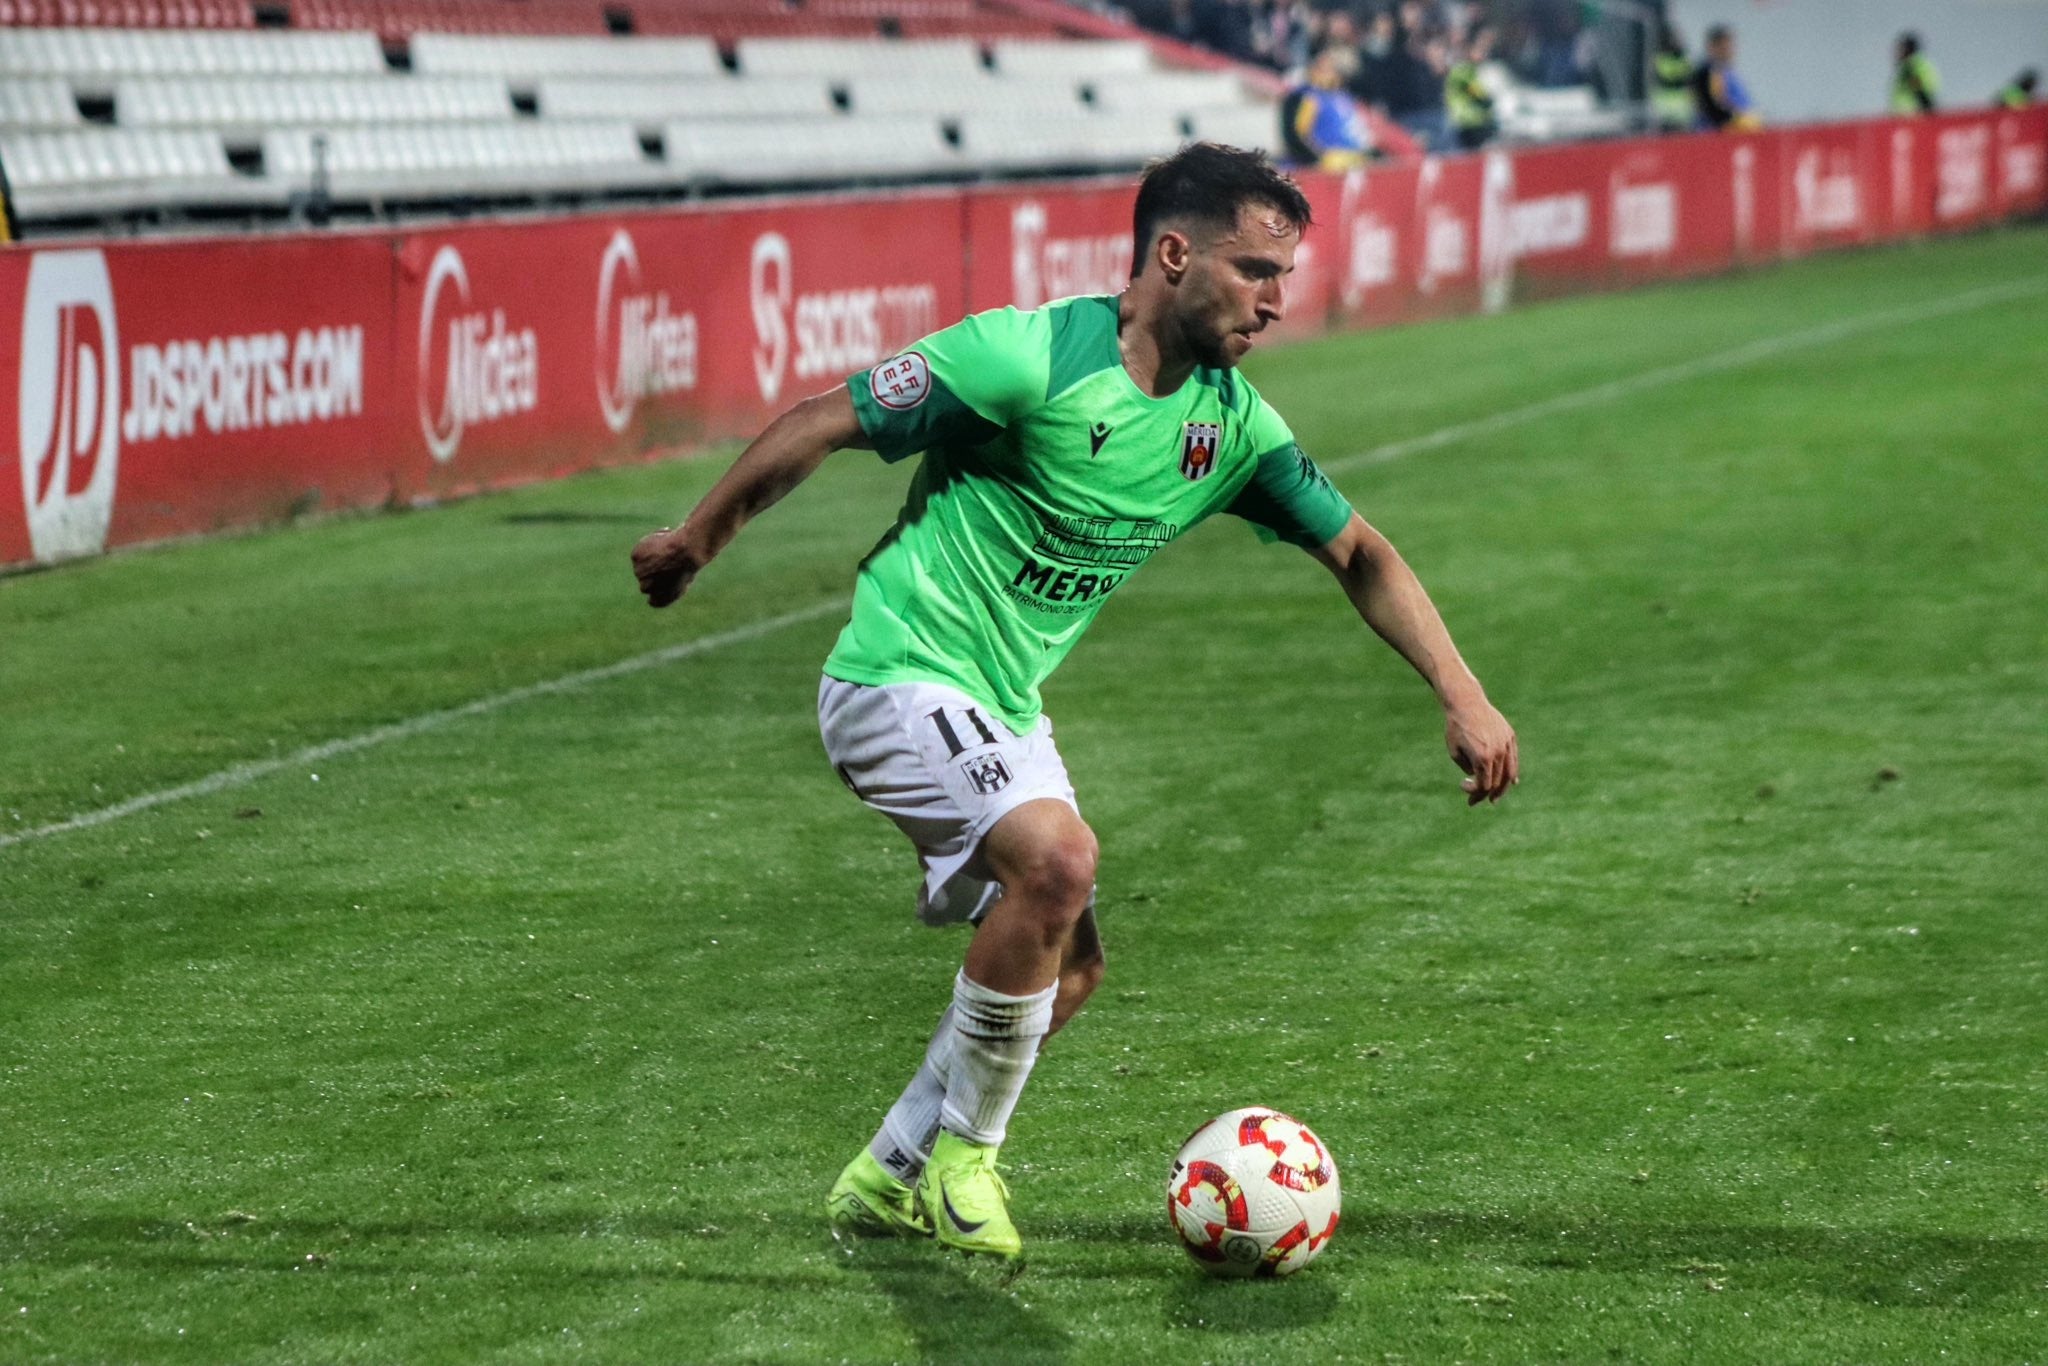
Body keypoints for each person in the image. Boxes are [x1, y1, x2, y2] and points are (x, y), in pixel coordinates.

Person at [629, 142, 1520, 1260]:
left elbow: (1357, 553)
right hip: (894, 671)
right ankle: (967, 1159)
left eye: (1283, 276)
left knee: (1072, 961)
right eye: (1255, 270)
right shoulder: (1024, 357)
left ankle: (887, 1168)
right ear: (1172, 252)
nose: (1275, 302)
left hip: (999, 701)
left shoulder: (1230, 428)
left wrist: (1463, 692)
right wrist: (693, 543)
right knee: (1055, 861)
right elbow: (827, 417)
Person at [1281, 44, 1375, 169]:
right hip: (1327, 168)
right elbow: (1297, 135)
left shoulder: (1345, 97)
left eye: (1332, 67)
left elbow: (1358, 130)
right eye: (1323, 67)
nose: (1329, 72)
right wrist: (1319, 159)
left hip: (1354, 164)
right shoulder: (1307, 97)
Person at [1693, 24, 1759, 131]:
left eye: (1730, 45)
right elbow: (1712, 108)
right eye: (1724, 46)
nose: (1729, 50)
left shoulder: (1727, 71)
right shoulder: (1707, 72)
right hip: (1719, 135)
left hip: (1739, 131)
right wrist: (1739, 119)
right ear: (1712, 47)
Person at [1445, 22, 1500, 150]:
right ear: (1469, 50)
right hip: (1467, 125)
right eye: (1479, 50)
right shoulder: (1461, 72)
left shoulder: (1476, 70)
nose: (1483, 54)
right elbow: (1479, 94)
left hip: (1479, 122)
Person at [1652, 22, 1695, 133]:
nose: (1677, 42)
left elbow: (1690, 78)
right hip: (1666, 110)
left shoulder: (1684, 58)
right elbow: (1670, 79)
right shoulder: (1661, 59)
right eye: (1674, 39)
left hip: (1683, 109)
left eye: (1678, 39)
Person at [1891, 32, 1940, 115]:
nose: (1897, 53)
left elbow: (1917, 85)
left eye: (1901, 49)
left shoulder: (1911, 65)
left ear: (1908, 49)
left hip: (1910, 115)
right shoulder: (1921, 63)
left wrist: (1929, 111)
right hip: (1913, 114)